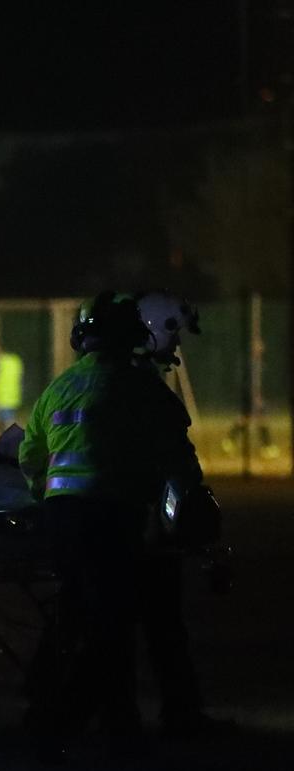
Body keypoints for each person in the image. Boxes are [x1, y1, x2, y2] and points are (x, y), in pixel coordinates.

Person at [20, 291, 203, 760]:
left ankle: (94, 717)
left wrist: (49, 494)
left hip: (61, 520)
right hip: (112, 517)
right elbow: (178, 461)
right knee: (112, 625)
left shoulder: (58, 388)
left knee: (76, 614)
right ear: (132, 337)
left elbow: (30, 455)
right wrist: (187, 513)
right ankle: (59, 726)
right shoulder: (143, 389)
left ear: (81, 338)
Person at [134, 289, 231, 739]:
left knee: (92, 618)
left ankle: (57, 708)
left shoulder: (111, 381)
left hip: (109, 520)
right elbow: (175, 458)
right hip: (139, 526)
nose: (176, 349)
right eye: (174, 338)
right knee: (162, 623)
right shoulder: (145, 391)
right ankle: (177, 713)